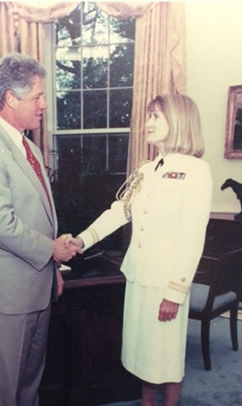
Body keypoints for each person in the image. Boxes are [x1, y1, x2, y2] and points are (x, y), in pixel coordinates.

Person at [67, 94, 212, 406]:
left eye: (156, 116)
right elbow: (120, 211)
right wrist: (82, 240)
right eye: (149, 116)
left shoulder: (196, 171)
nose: (148, 123)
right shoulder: (147, 169)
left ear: (178, 121)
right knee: (143, 354)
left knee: (168, 357)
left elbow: (192, 237)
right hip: (139, 276)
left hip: (166, 283)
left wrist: (175, 292)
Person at [0, 53, 81, 406]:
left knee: (31, 384)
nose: (44, 105)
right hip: (9, 297)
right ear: (11, 99)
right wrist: (52, 250)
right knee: (7, 390)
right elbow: (0, 224)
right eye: (38, 97)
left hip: (40, 286)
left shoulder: (27, 146)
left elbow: (38, 216)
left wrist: (53, 269)